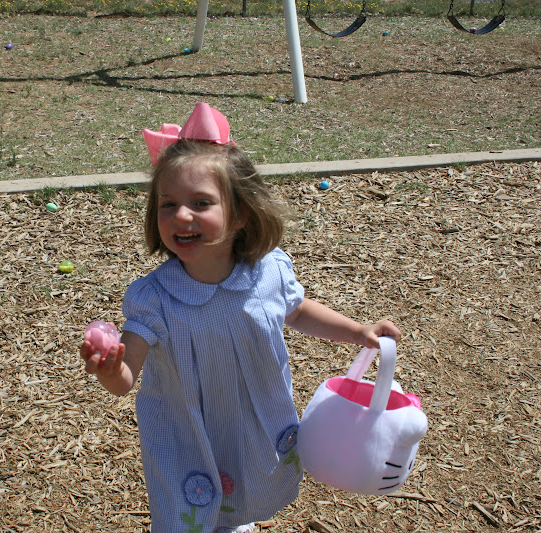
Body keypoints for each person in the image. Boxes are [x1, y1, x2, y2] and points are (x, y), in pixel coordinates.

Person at [79, 103, 401, 533]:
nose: (181, 215)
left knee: (241, 495)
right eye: (168, 204)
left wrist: (358, 331)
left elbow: (298, 310)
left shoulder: (268, 272)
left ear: (240, 213)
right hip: (187, 435)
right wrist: (110, 369)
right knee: (187, 515)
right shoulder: (155, 299)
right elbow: (126, 379)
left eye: (201, 203)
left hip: (250, 424)